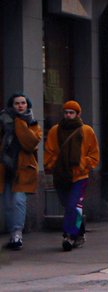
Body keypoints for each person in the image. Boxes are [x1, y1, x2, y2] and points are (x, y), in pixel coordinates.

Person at [43, 100, 99, 251]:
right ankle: (80, 232)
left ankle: (69, 236)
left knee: (73, 205)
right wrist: (54, 164)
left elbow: (94, 155)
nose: (68, 115)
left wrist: (83, 163)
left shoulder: (87, 131)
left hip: (80, 176)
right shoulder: (55, 130)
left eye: (71, 113)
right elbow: (49, 151)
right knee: (70, 206)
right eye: (66, 112)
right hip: (61, 176)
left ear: (78, 114)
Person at [0, 94, 41, 250]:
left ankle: (18, 234)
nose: (20, 106)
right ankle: (12, 234)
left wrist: (19, 123)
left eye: (23, 103)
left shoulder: (31, 122)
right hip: (5, 167)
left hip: (23, 169)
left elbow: (30, 143)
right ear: (12, 105)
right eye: (17, 103)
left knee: (18, 201)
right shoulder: (3, 120)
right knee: (8, 203)